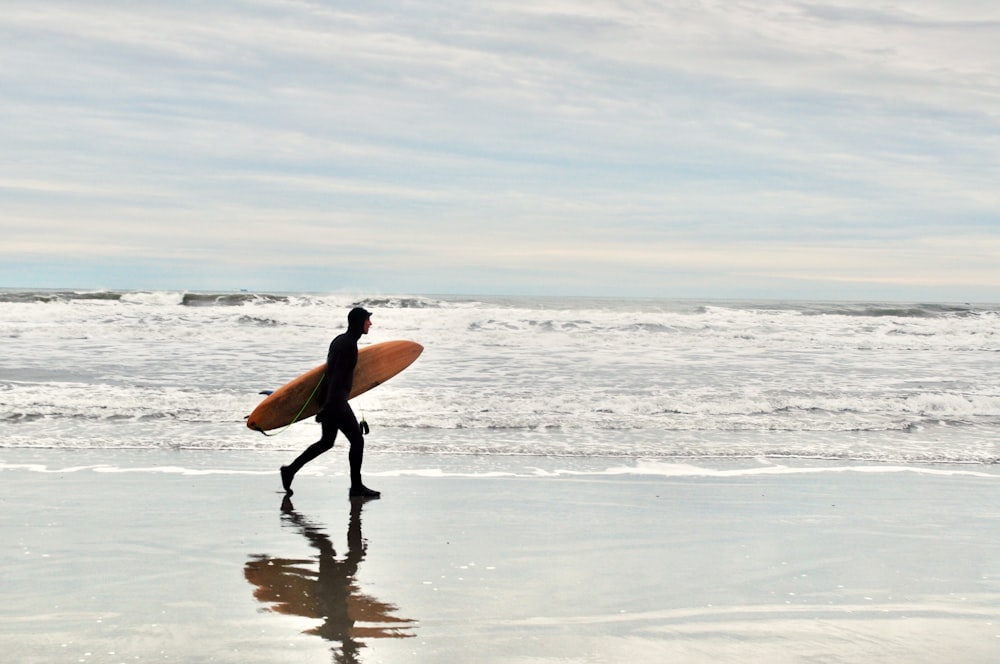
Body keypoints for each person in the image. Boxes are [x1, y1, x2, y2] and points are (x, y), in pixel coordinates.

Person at [280, 307, 380, 498]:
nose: (370, 324)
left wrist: (325, 404)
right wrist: (329, 407)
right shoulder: (349, 345)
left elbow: (330, 374)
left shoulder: (340, 340)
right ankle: (356, 487)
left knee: (326, 442)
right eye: (368, 320)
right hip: (336, 402)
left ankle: (290, 470)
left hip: (332, 400)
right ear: (360, 322)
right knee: (357, 440)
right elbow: (335, 378)